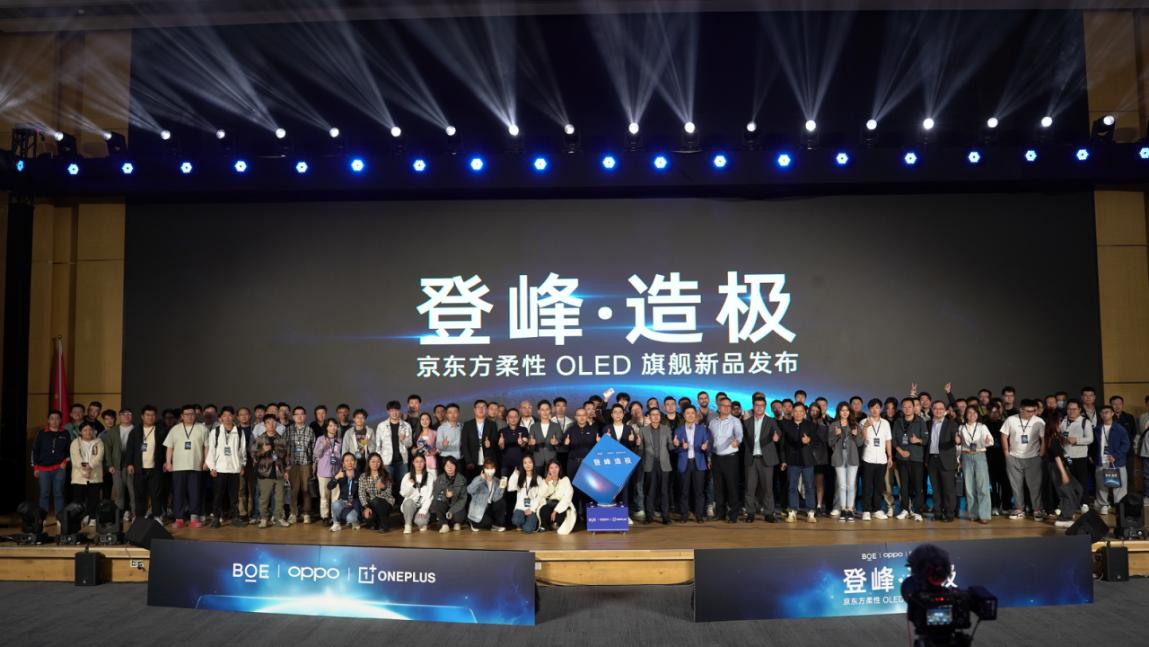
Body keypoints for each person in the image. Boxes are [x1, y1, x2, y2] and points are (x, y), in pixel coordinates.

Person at [163, 404, 209, 528]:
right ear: (182, 416)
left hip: (196, 466)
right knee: (178, 493)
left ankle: (194, 518)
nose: (189, 416)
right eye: (187, 414)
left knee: (195, 493)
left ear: (195, 415)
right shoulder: (175, 429)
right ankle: (179, 518)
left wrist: (206, 462)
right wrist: (168, 462)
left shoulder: (202, 428)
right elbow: (169, 447)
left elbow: (206, 447)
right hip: (178, 467)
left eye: (192, 414)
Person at [1001, 399, 1046, 520]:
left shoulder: (1039, 421)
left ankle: (1037, 509)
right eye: (1028, 411)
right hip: (1014, 457)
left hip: (1033, 457)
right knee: (1016, 486)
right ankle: (1019, 509)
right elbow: (1004, 435)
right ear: (1021, 409)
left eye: (1033, 411)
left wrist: (1041, 453)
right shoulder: (1011, 420)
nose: (1031, 413)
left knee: (1035, 486)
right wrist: (1006, 453)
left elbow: (1044, 438)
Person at [204, 406, 245, 528]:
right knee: (218, 496)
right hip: (220, 469)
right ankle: (216, 518)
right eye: (225, 415)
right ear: (221, 417)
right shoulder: (215, 432)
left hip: (234, 468)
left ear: (233, 417)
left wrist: (242, 465)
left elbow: (242, 451)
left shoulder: (239, 431)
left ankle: (235, 517)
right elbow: (211, 451)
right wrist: (212, 467)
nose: (227, 418)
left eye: (230, 415)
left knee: (234, 496)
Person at [743, 396, 782, 523]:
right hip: (751, 459)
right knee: (750, 488)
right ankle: (750, 513)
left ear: (765, 407)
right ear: (753, 406)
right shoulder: (747, 422)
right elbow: (743, 439)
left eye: (762, 406)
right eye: (757, 405)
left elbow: (778, 433)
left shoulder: (771, 421)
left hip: (766, 460)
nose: (759, 408)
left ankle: (769, 513)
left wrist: (776, 436)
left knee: (767, 488)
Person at [252, 413, 291, 528]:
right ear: (264, 425)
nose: (271, 425)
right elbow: (253, 456)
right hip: (265, 473)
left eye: (273, 422)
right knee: (264, 498)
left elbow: (288, 456)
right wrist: (262, 451)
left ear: (276, 424)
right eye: (268, 423)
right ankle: (264, 518)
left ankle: (279, 518)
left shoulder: (282, 439)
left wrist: (287, 471)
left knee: (279, 498)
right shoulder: (260, 439)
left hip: (279, 473)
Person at [781, 402, 817, 523]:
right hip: (792, 460)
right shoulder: (786, 425)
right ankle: (792, 511)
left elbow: (815, 441)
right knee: (792, 486)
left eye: (801, 411)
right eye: (796, 411)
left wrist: (809, 440)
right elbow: (783, 445)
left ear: (804, 412)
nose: (798, 413)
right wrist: (784, 460)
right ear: (792, 412)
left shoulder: (810, 425)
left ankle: (811, 512)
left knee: (809, 486)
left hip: (807, 461)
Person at [128, 405, 165, 521]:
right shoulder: (135, 431)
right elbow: (130, 449)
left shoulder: (161, 431)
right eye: (148, 415)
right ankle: (139, 516)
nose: (150, 417)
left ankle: (157, 516)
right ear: (142, 416)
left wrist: (166, 462)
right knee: (139, 494)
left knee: (156, 494)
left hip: (155, 468)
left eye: (153, 415)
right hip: (139, 468)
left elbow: (165, 449)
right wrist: (129, 464)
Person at [708, 397, 743, 524]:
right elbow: (710, 440)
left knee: (732, 487)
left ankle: (733, 515)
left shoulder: (735, 421)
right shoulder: (713, 422)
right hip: (716, 458)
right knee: (718, 487)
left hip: (730, 458)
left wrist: (737, 441)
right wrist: (709, 457)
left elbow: (739, 435)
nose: (727, 408)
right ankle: (720, 513)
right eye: (724, 405)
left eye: (729, 406)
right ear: (719, 407)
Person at [958, 406, 994, 524]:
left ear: (978, 415)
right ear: (966, 415)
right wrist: (958, 459)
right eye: (969, 412)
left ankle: (984, 515)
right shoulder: (961, 427)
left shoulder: (982, 427)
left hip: (979, 455)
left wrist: (987, 441)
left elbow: (991, 441)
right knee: (969, 487)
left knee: (983, 486)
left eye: (974, 412)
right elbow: (959, 445)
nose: (972, 415)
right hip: (966, 456)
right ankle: (973, 513)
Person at [32, 410, 71, 522]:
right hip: (43, 468)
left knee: (58, 493)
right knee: (44, 493)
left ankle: (59, 518)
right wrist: (35, 467)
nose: (54, 421)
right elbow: (35, 450)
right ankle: (42, 518)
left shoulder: (65, 433)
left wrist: (65, 462)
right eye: (52, 419)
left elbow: (70, 451)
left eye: (57, 418)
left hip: (59, 468)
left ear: (61, 420)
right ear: (48, 420)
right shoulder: (41, 433)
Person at [673, 405, 709, 523]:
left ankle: (699, 515)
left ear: (696, 415)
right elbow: (675, 450)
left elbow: (707, 445)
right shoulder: (678, 430)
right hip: (684, 463)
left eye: (692, 413)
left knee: (699, 491)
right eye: (687, 413)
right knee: (684, 491)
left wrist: (705, 448)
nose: (690, 415)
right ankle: (684, 515)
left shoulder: (702, 429)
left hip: (699, 463)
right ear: (684, 415)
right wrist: (679, 446)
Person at [829, 402, 864, 522]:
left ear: (850, 412)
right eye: (842, 410)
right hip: (839, 456)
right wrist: (837, 435)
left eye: (847, 410)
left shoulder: (855, 425)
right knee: (842, 485)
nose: (845, 412)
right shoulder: (834, 425)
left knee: (851, 485)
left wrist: (856, 435)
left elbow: (860, 443)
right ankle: (843, 509)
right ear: (839, 412)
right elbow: (830, 442)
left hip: (852, 457)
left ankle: (850, 509)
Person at [925, 400, 960, 521]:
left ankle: (949, 514)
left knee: (948, 489)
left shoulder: (951, 424)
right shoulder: (928, 424)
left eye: (941, 409)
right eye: (935, 408)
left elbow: (955, 438)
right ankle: (938, 513)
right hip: (932, 460)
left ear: (945, 411)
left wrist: (957, 440)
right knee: (935, 489)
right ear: (932, 410)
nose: (938, 411)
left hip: (946, 460)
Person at [892, 397, 926, 521]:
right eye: (904, 407)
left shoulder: (920, 421)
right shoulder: (898, 422)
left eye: (909, 406)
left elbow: (926, 439)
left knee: (918, 486)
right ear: (902, 408)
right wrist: (901, 451)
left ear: (914, 407)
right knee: (904, 486)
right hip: (902, 459)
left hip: (916, 458)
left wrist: (918, 440)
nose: (907, 409)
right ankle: (905, 509)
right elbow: (894, 440)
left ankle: (918, 511)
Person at [1094, 405, 1131, 515]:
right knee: (1101, 485)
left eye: (1107, 412)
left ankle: (1120, 507)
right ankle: (1103, 505)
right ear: (1100, 415)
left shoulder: (1119, 428)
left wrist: (1116, 456)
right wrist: (1092, 457)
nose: (1105, 414)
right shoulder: (1097, 429)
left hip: (1117, 462)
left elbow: (1126, 444)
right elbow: (1093, 445)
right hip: (1101, 461)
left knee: (1119, 485)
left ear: (1112, 413)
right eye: (1102, 412)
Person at [860, 399, 893, 521]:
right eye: (872, 407)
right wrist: (865, 427)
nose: (875, 410)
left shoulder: (885, 423)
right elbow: (861, 440)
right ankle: (866, 510)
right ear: (869, 409)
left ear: (881, 409)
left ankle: (877, 509)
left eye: (877, 407)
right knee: (867, 486)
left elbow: (888, 440)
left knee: (879, 486)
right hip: (867, 458)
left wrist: (890, 456)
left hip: (882, 459)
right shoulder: (863, 422)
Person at [1058, 399, 1093, 513]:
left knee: (1082, 481)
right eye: (1069, 409)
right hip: (1065, 456)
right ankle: (1069, 504)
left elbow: (1090, 439)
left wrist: (1077, 440)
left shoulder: (1085, 422)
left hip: (1080, 457)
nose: (1071, 411)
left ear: (1079, 410)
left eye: (1074, 409)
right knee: (1066, 482)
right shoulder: (1063, 421)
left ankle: (1084, 503)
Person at [640, 407, 674, 525]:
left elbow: (670, 446)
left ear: (660, 417)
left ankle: (665, 517)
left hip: (664, 464)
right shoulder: (643, 430)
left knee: (664, 491)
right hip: (649, 464)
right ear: (649, 417)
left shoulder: (666, 429)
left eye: (657, 414)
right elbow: (641, 449)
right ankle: (649, 516)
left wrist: (675, 444)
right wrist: (637, 444)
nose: (655, 416)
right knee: (650, 491)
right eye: (653, 414)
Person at [564, 406, 599, 517]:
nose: (582, 417)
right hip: (573, 463)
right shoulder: (570, 430)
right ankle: (574, 516)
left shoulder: (593, 430)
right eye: (579, 415)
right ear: (575, 417)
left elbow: (598, 451)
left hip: (588, 464)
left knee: (588, 490)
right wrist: (566, 444)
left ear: (587, 416)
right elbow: (563, 449)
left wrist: (599, 443)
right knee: (573, 490)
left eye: (584, 415)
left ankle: (587, 515)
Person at [69, 422, 105, 526]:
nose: (88, 432)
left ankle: (93, 517)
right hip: (79, 476)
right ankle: (82, 517)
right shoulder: (75, 443)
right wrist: (85, 471)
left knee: (94, 498)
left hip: (95, 475)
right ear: (80, 432)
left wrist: (90, 467)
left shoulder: (99, 442)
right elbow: (75, 459)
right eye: (85, 430)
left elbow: (99, 457)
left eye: (90, 430)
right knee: (79, 499)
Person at [105, 408, 136, 522]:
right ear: (119, 417)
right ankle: (119, 515)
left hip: (132, 465)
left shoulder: (137, 429)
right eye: (123, 414)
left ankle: (135, 514)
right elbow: (108, 449)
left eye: (129, 414)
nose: (126, 416)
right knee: (119, 492)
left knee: (133, 492)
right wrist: (109, 465)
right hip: (117, 465)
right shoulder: (113, 431)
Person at [285, 406, 314, 524]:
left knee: (306, 489)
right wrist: (286, 467)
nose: (299, 416)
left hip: (306, 463)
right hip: (292, 464)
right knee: (294, 490)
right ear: (293, 417)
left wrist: (313, 464)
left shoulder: (310, 430)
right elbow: (284, 449)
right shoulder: (288, 430)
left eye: (302, 414)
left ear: (305, 416)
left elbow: (313, 448)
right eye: (296, 414)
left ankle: (306, 513)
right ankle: (293, 513)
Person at [1048, 430, 1083, 528]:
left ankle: (1067, 512)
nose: (1060, 424)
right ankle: (1064, 518)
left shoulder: (1058, 438)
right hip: (1058, 468)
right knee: (1067, 492)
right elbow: (1057, 457)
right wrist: (1063, 473)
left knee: (1078, 489)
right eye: (1059, 423)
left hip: (1063, 467)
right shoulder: (1052, 440)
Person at [377, 401, 413, 496]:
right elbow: (378, 446)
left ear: (399, 411)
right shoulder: (381, 426)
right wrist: (380, 462)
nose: (394, 413)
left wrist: (404, 440)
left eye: (396, 410)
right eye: (392, 410)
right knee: (387, 486)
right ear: (388, 412)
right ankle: (389, 503)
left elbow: (409, 444)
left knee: (403, 486)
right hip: (386, 462)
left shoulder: (406, 425)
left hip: (402, 461)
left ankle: (402, 504)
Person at [313, 418, 343, 524]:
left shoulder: (339, 440)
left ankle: (335, 516)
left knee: (335, 497)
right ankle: (325, 517)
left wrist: (341, 469)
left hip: (336, 472)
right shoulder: (321, 439)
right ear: (326, 427)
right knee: (324, 496)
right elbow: (316, 454)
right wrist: (323, 446)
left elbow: (342, 455)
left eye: (335, 425)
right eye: (330, 425)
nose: (333, 428)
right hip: (323, 472)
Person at [466, 458, 507, 531]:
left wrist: (502, 487)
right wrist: (480, 479)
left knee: (501, 502)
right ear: (484, 469)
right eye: (487, 468)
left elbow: (496, 498)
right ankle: (473, 522)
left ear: (495, 469)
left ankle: (497, 525)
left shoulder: (496, 480)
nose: (490, 470)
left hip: (489, 507)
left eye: (492, 468)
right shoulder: (478, 478)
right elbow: (469, 490)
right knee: (487, 522)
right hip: (479, 509)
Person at [358, 452, 394, 532]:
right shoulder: (363, 476)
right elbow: (361, 493)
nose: (375, 464)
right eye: (373, 461)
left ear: (381, 463)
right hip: (370, 504)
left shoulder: (385, 475)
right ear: (368, 463)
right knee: (369, 517)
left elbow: (389, 493)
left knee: (376, 501)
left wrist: (383, 488)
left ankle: (384, 525)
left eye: (378, 462)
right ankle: (377, 522)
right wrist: (366, 507)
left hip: (385, 502)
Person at [430, 456, 468, 532]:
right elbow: (436, 495)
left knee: (459, 517)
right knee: (437, 502)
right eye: (447, 465)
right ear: (444, 467)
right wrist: (445, 496)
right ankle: (445, 525)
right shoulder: (440, 479)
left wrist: (452, 511)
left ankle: (456, 522)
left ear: (455, 466)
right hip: (444, 504)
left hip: (456, 506)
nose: (450, 468)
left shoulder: (462, 479)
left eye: (452, 465)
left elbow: (463, 498)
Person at [538, 460, 577, 534]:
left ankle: (556, 524)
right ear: (548, 470)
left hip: (561, 505)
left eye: (556, 467)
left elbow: (567, 497)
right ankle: (547, 525)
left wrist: (556, 510)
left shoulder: (565, 480)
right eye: (551, 468)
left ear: (559, 469)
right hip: (549, 504)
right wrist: (546, 482)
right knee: (544, 510)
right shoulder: (545, 481)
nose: (554, 470)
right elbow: (540, 495)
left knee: (561, 514)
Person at [508, 455, 545, 533]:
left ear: (533, 464)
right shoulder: (519, 477)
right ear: (522, 465)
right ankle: (523, 520)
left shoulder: (539, 478)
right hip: (521, 507)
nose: (527, 465)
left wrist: (532, 509)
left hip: (532, 508)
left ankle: (531, 522)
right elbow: (510, 488)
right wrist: (515, 474)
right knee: (516, 521)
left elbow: (540, 496)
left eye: (530, 462)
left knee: (527, 529)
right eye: (525, 463)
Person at [461, 400, 496, 480]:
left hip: (487, 460)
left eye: (483, 407)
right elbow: (464, 444)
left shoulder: (492, 424)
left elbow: (495, 442)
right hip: (472, 461)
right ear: (474, 410)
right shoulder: (467, 425)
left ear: (486, 410)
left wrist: (490, 444)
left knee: (488, 482)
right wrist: (468, 461)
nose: (481, 409)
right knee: (473, 483)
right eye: (478, 407)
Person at [400, 454, 434, 533]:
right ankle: (408, 525)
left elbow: (429, 496)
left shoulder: (429, 476)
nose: (419, 464)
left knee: (420, 522)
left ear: (425, 463)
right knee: (408, 502)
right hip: (410, 506)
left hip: (422, 506)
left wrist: (423, 510)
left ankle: (421, 521)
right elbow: (404, 494)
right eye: (417, 462)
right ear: (413, 463)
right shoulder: (407, 476)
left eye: (421, 461)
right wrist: (410, 485)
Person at [809, 402, 832, 516]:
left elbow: (825, 439)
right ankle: (810, 505)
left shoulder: (824, 423)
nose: (814, 413)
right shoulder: (805, 422)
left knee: (819, 482)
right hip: (807, 457)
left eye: (816, 411)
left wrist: (821, 424)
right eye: (812, 410)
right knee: (809, 483)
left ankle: (818, 505)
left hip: (820, 457)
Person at [328, 452, 361, 531]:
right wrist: (336, 477)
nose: (349, 463)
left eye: (352, 460)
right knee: (335, 504)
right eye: (347, 461)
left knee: (351, 518)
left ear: (355, 462)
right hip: (343, 501)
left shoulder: (359, 475)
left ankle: (355, 520)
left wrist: (354, 502)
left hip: (355, 502)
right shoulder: (341, 474)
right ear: (343, 464)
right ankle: (336, 523)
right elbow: (329, 486)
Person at [529, 400, 563, 468]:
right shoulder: (533, 427)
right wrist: (531, 444)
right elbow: (531, 448)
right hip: (537, 459)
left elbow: (560, 444)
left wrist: (556, 443)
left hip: (552, 459)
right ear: (538, 411)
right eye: (542, 410)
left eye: (547, 409)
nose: (545, 412)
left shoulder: (556, 426)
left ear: (550, 410)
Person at [498, 408, 531, 478]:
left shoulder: (524, 430)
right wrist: (501, 444)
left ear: (518, 418)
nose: (513, 419)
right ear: (507, 418)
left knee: (521, 483)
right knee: (504, 483)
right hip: (505, 464)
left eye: (515, 417)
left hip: (520, 463)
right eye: (511, 417)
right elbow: (501, 448)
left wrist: (522, 442)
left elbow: (525, 444)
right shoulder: (502, 431)